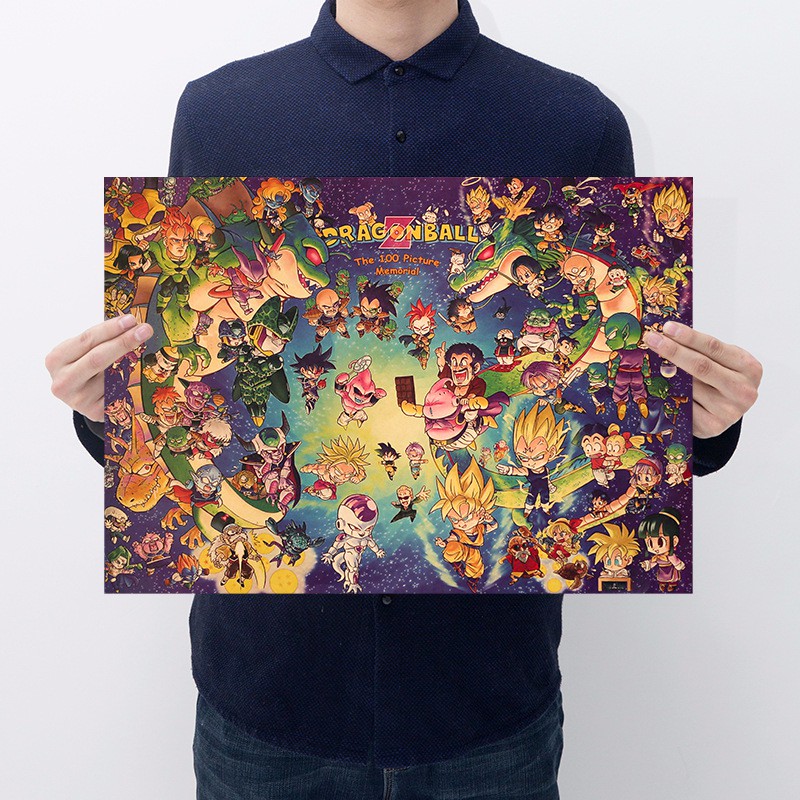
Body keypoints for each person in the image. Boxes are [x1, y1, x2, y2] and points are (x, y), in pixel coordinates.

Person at [45, 1, 762, 797]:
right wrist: (106, 409)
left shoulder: (574, 123)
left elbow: (611, 403)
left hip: (487, 707)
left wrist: (701, 424)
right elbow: (189, 386)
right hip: (267, 701)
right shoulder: (220, 114)